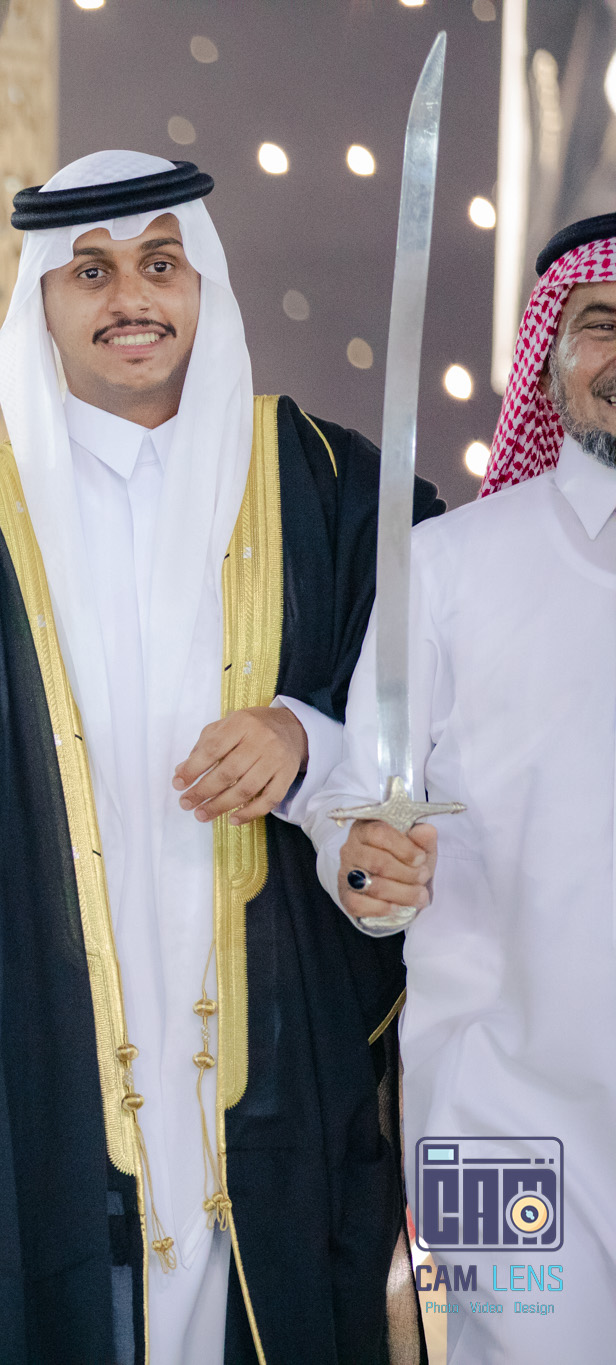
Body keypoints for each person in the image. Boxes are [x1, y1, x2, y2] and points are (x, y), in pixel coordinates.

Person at [0, 150, 444, 1363]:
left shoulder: (332, 488)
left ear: (203, 282)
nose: (129, 297)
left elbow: (434, 703)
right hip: (45, 1049)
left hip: (278, 1042)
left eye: (157, 264)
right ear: (39, 299)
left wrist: (305, 740)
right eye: (88, 272)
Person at [308, 212, 616, 1361]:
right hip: (491, 1116)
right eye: (600, 324)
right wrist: (366, 869)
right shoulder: (445, 567)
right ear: (547, 358)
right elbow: (358, 806)